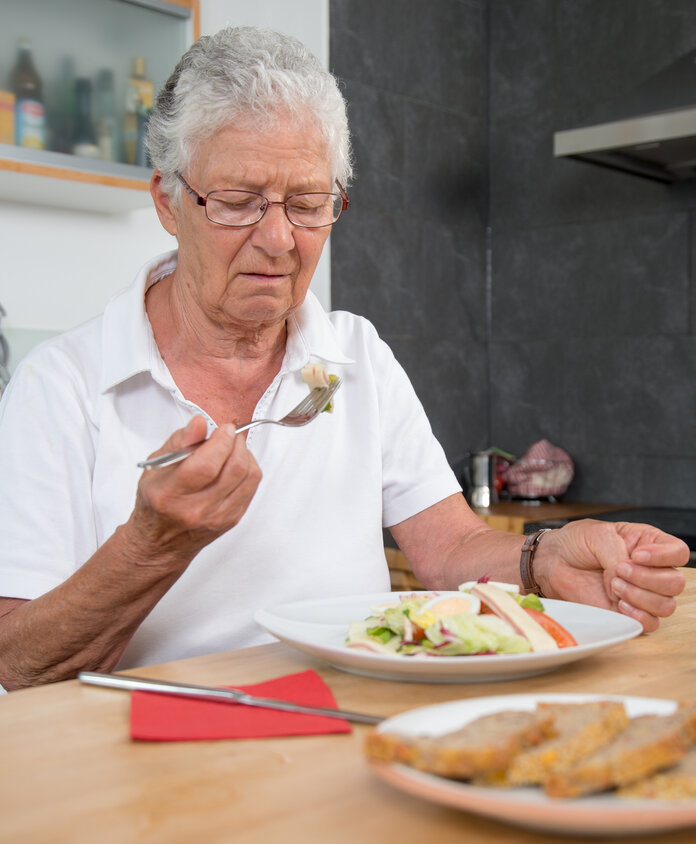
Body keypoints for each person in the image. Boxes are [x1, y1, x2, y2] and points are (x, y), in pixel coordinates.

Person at [0, 27, 687, 692]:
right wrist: (150, 548)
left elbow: (448, 550)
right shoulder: (62, 387)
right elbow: (19, 664)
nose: (279, 239)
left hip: (346, 743)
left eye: (308, 204)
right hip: (143, 770)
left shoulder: (354, 357)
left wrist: (543, 557)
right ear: (168, 202)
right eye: (239, 203)